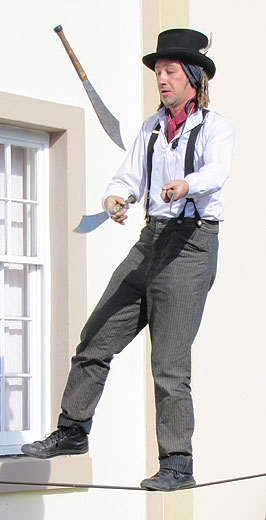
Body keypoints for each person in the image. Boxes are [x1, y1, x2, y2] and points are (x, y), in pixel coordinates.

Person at [21, 28, 235, 491]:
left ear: (193, 78)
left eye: (169, 72)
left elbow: (217, 171)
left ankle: (177, 463)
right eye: (158, 72)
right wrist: (116, 200)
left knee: (169, 365)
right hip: (151, 241)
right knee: (95, 336)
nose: (160, 79)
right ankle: (73, 432)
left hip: (192, 245)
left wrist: (187, 184)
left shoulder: (216, 128)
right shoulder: (152, 128)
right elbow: (127, 178)